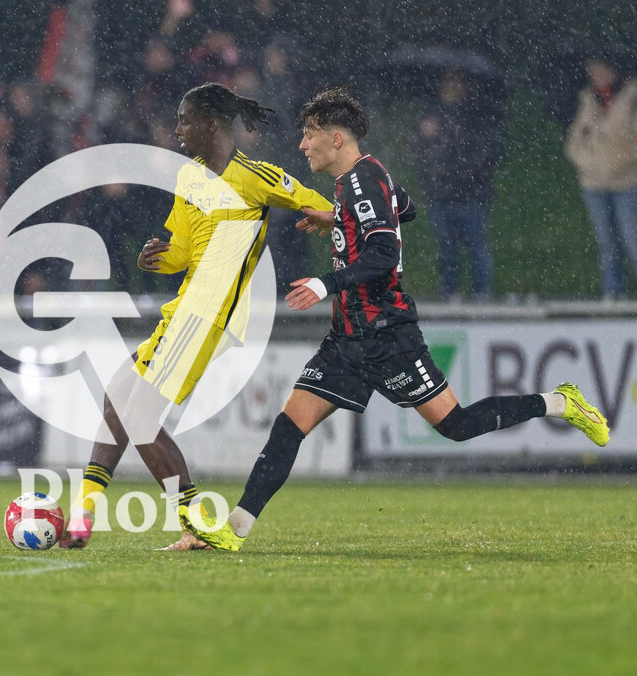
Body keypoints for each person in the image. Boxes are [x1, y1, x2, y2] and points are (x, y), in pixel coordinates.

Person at [180, 86, 610, 552]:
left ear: (337, 138)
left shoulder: (362, 182)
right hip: (347, 337)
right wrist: (338, 216)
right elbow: (406, 208)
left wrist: (326, 283)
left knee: (456, 425)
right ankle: (232, 531)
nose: (303, 145)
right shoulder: (361, 181)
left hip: (388, 334)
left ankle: (561, 402)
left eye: (309, 135)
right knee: (289, 425)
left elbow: (384, 254)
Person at [59, 82, 334, 550]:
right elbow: (181, 252)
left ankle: (201, 525)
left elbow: (324, 205)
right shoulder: (189, 179)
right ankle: (83, 518)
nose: (177, 129)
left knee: (139, 413)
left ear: (210, 124)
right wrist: (156, 258)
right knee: (118, 399)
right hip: (184, 309)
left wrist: (325, 217)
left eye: (184, 120)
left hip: (209, 314)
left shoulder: (254, 176)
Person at [415, 68, 502, 301]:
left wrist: (461, 165)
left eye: (457, 81)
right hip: (439, 194)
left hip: (471, 194)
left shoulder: (477, 115)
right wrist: (426, 137)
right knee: (447, 250)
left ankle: (481, 297)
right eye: (447, 81)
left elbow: (486, 153)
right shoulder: (430, 115)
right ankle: (449, 296)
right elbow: (420, 154)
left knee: (476, 248)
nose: (451, 86)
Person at [565, 56, 637, 301]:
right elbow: (574, 143)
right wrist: (590, 164)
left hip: (627, 182)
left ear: (613, 70)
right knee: (607, 243)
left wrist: (617, 163)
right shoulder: (588, 100)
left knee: (632, 239)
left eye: (599, 71)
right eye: (591, 72)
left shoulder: (631, 97)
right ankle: (613, 294)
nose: (595, 77)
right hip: (594, 184)